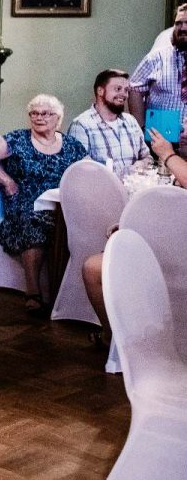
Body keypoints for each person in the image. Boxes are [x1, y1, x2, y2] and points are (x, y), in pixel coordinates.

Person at [0, 94, 87, 317]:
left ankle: (71, 291)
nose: (39, 117)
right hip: (25, 205)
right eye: (34, 113)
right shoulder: (18, 140)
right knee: (33, 223)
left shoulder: (71, 145)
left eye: (45, 113)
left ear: (58, 118)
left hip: (62, 206)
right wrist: (6, 181)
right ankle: (34, 292)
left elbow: (88, 169)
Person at [83, 128, 187, 346]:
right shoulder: (178, 166)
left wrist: (168, 154)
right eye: (183, 127)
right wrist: (131, 224)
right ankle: (115, 339)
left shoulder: (176, 164)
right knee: (93, 268)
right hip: (166, 251)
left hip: (179, 261)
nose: (183, 133)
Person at [66, 68, 149, 178]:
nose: (124, 94)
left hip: (134, 186)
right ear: (100, 91)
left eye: (126, 90)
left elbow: (147, 157)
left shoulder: (131, 121)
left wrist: (140, 165)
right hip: (99, 188)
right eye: (118, 89)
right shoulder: (81, 125)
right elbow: (80, 170)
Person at [128, 3, 187, 143]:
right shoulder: (157, 57)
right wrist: (141, 128)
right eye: (178, 23)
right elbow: (134, 88)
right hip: (161, 139)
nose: (183, 28)